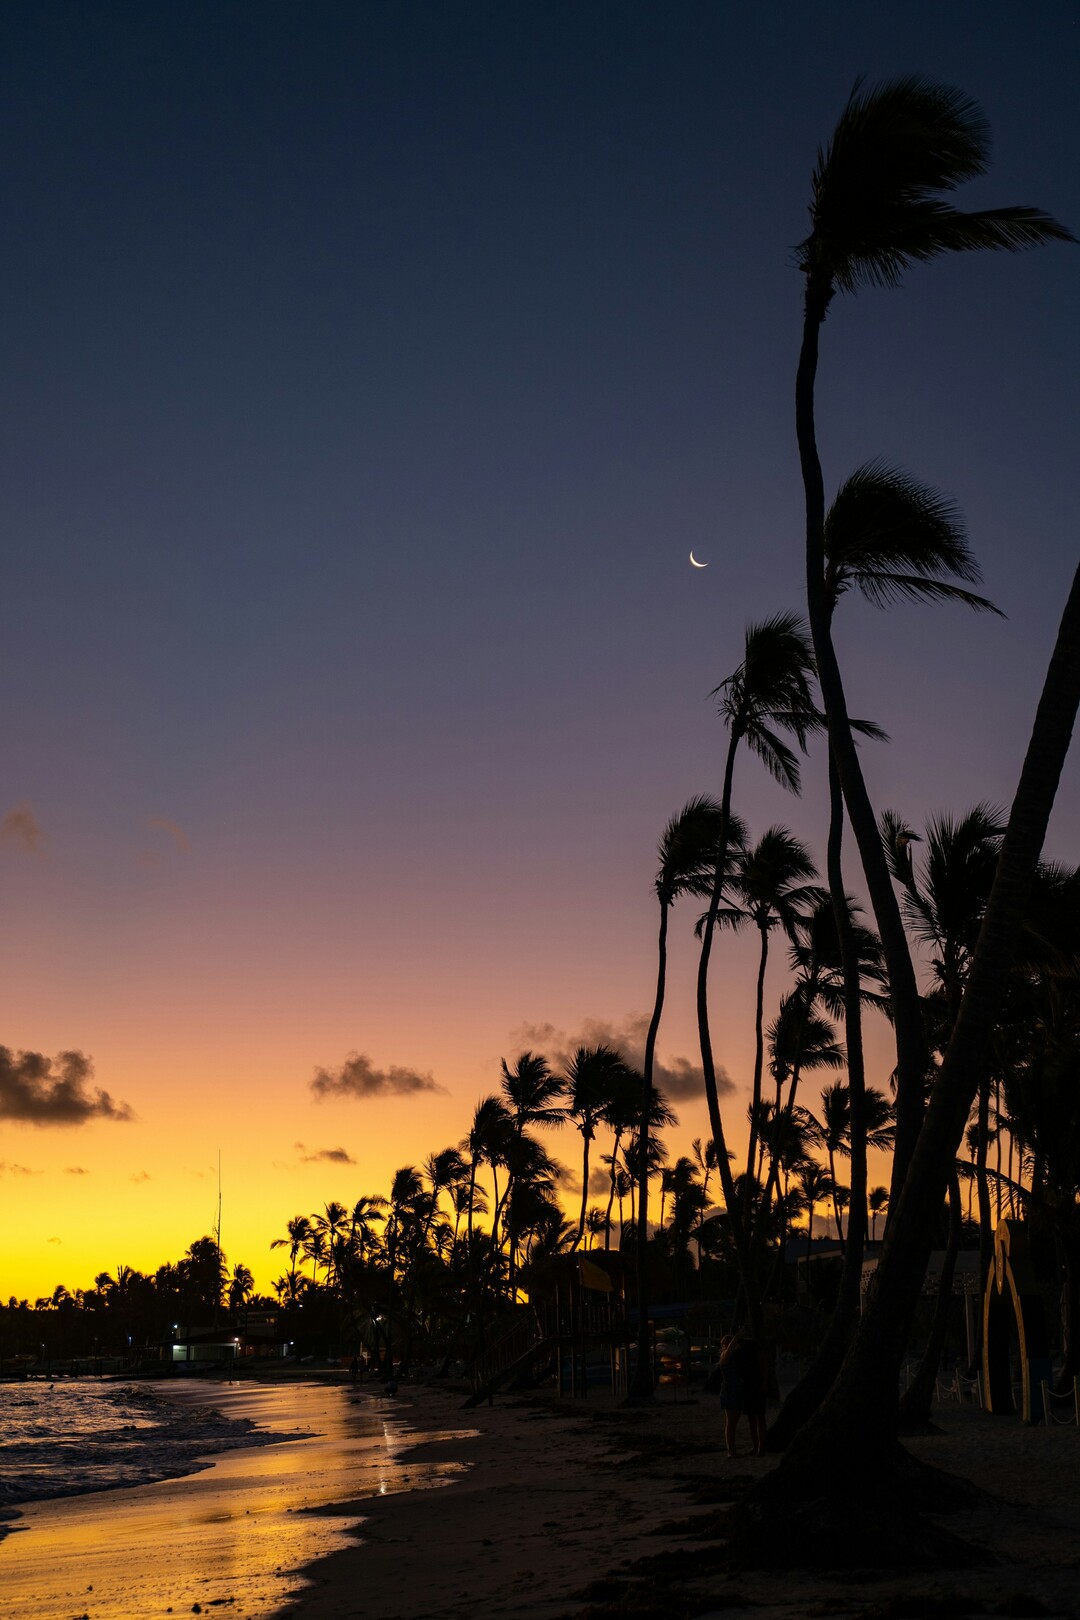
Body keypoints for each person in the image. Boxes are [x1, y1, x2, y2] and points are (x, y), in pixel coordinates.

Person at [718, 1332, 744, 1457]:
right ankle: (731, 1451)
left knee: (734, 1421)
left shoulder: (734, 1356)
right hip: (729, 1390)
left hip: (736, 1390)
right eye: (726, 1343)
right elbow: (729, 1349)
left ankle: (732, 1449)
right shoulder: (724, 1356)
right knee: (731, 1422)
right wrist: (737, 1336)